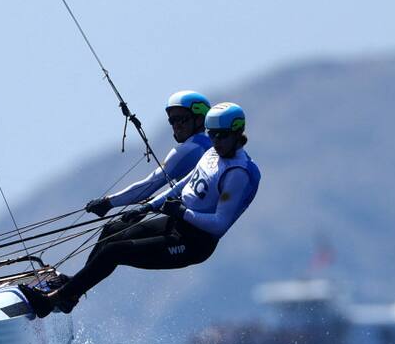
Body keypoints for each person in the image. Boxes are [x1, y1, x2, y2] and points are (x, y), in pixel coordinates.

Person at [22, 102, 261, 317]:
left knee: (114, 252)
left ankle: (54, 301)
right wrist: (148, 207)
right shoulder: (212, 153)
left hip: (194, 243)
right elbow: (181, 185)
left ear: (237, 132)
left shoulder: (237, 173)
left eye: (222, 136)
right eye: (213, 135)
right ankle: (72, 289)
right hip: (177, 223)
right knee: (113, 229)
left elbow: (219, 225)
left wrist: (181, 212)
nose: (216, 141)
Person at [83, 90, 213, 220]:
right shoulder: (211, 146)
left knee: (113, 232)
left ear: (200, 119)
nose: (176, 125)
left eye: (181, 119)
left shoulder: (189, 149)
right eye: (172, 120)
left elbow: (149, 185)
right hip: (202, 224)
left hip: (188, 224)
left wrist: (107, 203)